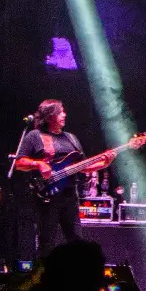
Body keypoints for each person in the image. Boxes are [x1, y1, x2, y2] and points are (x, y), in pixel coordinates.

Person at [12, 100, 116, 260]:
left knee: (76, 241)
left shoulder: (71, 139)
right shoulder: (35, 136)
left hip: (70, 197)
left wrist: (105, 163)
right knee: (47, 242)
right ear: (50, 116)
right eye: (61, 112)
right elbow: (19, 163)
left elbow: (83, 166)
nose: (64, 115)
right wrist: (38, 163)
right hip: (47, 197)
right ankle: (44, 278)